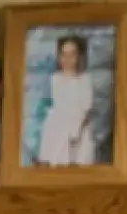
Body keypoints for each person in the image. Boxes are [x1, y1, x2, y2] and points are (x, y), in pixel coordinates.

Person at [36, 34, 97, 166]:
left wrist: (77, 132)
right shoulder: (53, 80)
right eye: (64, 54)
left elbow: (87, 110)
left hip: (80, 130)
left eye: (72, 54)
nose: (67, 59)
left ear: (79, 56)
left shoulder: (85, 80)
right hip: (57, 129)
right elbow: (51, 108)